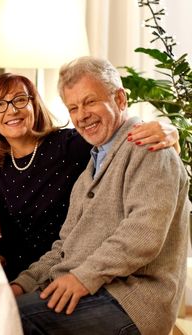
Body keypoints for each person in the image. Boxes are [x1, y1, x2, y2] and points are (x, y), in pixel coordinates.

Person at [11, 56, 188, 335]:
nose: (82, 115)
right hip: (96, 288)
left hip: (133, 302)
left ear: (120, 99)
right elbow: (64, 247)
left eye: (90, 101)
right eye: (73, 107)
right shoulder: (92, 167)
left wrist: (82, 277)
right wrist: (24, 283)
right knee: (3, 308)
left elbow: (143, 236)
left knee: (12, 321)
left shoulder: (149, 147)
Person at [0, 73, 179, 281]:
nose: (12, 110)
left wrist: (171, 132)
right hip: (23, 274)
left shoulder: (70, 146)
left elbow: (120, 132)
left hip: (70, 268)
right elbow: (10, 237)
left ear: (34, 105)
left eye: (20, 100)